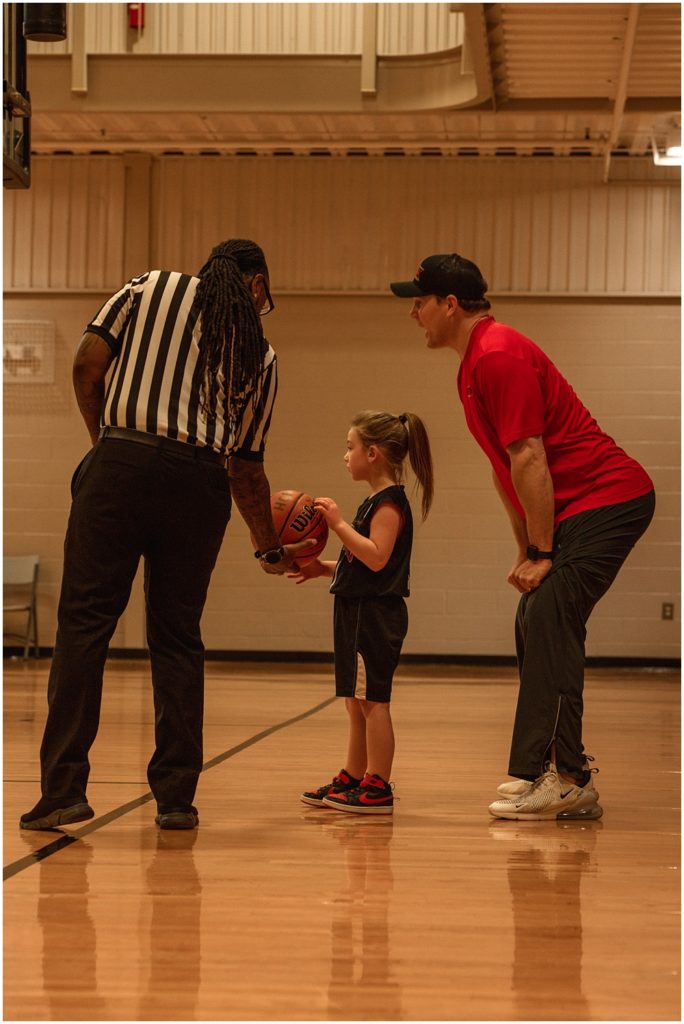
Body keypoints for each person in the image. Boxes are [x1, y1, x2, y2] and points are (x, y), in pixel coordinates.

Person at [20, 238, 313, 832]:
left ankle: (63, 791)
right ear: (255, 285)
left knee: (83, 627)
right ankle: (176, 798)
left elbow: (85, 364)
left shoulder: (148, 286)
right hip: (198, 482)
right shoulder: (261, 353)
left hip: (121, 461)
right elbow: (246, 467)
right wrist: (267, 547)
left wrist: (106, 445)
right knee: (177, 637)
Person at [390, 253, 655, 821]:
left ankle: (568, 778)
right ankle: (548, 769)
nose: (414, 312)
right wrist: (526, 548)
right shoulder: (474, 363)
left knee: (549, 617)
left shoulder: (498, 354)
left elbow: (530, 455)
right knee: (537, 615)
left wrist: (542, 551)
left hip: (610, 499)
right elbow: (504, 466)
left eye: (419, 300)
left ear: (450, 304)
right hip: (576, 508)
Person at [292, 410, 434, 815]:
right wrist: (323, 569)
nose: (345, 455)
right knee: (355, 700)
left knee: (374, 700)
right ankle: (354, 775)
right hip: (355, 609)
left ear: (372, 453)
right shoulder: (373, 500)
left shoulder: (389, 504)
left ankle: (378, 785)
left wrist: (336, 524)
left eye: (350, 447)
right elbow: (362, 563)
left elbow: (376, 558)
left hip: (374, 615)